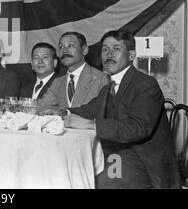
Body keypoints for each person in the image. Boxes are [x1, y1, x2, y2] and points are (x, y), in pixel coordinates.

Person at [63, 30, 179, 189]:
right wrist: (61, 112)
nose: (108, 54)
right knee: (72, 175)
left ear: (131, 55)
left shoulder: (145, 84)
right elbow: (88, 110)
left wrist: (92, 125)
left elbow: (138, 128)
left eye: (116, 49)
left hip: (142, 159)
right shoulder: (109, 87)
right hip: (115, 154)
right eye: (104, 49)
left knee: (93, 185)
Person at [38, 31, 109, 109]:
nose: (64, 50)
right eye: (61, 47)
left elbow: (104, 112)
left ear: (84, 50)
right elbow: (40, 106)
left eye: (70, 45)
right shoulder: (57, 83)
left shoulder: (101, 78)